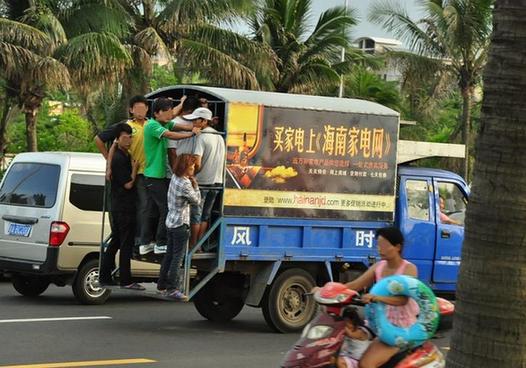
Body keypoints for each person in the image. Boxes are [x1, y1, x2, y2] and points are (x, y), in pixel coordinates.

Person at [342, 227, 419, 368]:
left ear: (397, 247)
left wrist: (377, 298)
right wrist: (325, 289)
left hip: (400, 329)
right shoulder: (379, 266)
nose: (379, 249)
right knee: (343, 344)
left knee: (366, 364)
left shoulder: (409, 269)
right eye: (378, 245)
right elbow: (355, 285)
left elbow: (403, 300)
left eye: (384, 246)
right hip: (377, 323)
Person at [140, 97, 198, 256]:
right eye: (166, 112)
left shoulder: (163, 122)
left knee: (152, 210)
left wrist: (196, 125)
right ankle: (160, 243)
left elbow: (180, 125)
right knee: (166, 208)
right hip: (154, 175)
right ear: (157, 113)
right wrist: (191, 134)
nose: (169, 115)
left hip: (157, 175)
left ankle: (145, 243)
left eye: (170, 112)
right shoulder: (152, 125)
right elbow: (171, 135)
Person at [94, 95, 150, 249]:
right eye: (136, 108)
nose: (140, 111)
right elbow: (100, 140)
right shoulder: (125, 125)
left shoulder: (151, 124)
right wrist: (109, 163)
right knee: (140, 205)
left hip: (148, 172)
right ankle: (138, 239)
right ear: (131, 110)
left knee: (146, 207)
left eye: (143, 108)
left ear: (147, 109)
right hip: (131, 173)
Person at [169, 107, 225, 248]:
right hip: (217, 182)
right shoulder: (219, 136)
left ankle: (192, 247)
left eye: (196, 120)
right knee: (205, 216)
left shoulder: (201, 137)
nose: (193, 122)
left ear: (204, 121)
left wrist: (191, 174)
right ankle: (198, 245)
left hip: (202, 183)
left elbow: (197, 162)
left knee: (195, 217)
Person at [99, 123, 144, 291]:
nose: (129, 140)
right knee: (125, 244)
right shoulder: (120, 158)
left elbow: (111, 150)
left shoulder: (121, 153)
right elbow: (128, 185)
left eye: (131, 137)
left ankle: (104, 276)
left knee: (116, 242)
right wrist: (134, 169)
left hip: (118, 206)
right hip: (123, 207)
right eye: (125, 137)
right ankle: (126, 280)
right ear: (118, 139)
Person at [157, 154, 201, 300]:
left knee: (169, 255)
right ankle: (172, 288)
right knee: (178, 257)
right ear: (186, 167)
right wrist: (196, 186)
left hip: (170, 221)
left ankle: (161, 285)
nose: (194, 168)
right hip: (181, 224)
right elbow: (196, 201)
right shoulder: (185, 183)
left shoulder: (175, 178)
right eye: (192, 166)